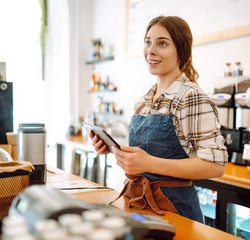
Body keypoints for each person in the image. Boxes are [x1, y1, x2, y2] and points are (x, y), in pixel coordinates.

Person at [90, 16, 228, 223]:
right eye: (148, 42)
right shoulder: (143, 102)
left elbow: (215, 166)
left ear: (181, 51)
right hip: (138, 203)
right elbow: (149, 152)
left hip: (174, 211)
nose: (151, 50)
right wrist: (118, 151)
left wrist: (149, 163)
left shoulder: (190, 97)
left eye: (162, 43)